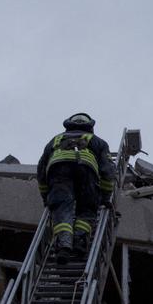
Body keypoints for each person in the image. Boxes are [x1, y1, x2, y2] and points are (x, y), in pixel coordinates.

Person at [37, 113, 117, 264]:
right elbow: (108, 172)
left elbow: (41, 170)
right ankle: (80, 241)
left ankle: (64, 246)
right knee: (87, 208)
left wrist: (46, 196)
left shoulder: (55, 140)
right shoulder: (97, 141)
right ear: (90, 127)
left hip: (58, 171)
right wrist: (105, 198)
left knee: (62, 208)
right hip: (87, 171)